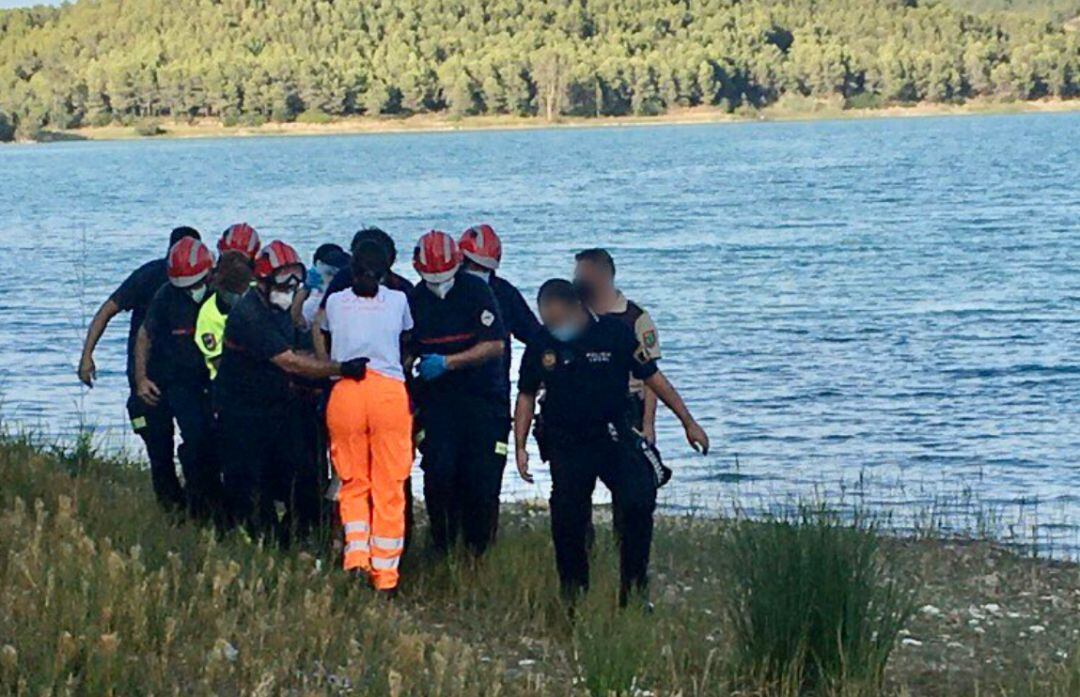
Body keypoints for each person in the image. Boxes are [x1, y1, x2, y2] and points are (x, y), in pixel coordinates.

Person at [514, 279, 709, 606]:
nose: (554, 327)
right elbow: (526, 395)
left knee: (637, 501)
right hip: (567, 441)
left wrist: (688, 422)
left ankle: (633, 591)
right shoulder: (541, 343)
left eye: (559, 320)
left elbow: (653, 378)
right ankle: (573, 594)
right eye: (549, 321)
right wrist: (519, 446)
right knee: (568, 518)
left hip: (612, 435)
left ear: (577, 308)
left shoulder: (615, 334)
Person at [214, 240, 368, 540]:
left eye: (296, 278)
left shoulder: (278, 310)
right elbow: (290, 362)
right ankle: (256, 540)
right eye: (285, 279)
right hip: (241, 412)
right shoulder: (250, 315)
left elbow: (298, 343)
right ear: (263, 279)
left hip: (276, 406)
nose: (292, 286)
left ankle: (299, 535)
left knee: (301, 473)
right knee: (249, 484)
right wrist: (339, 369)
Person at [77, 225, 201, 510]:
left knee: (197, 444)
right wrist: (87, 355)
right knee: (158, 448)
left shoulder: (204, 281)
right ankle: (173, 510)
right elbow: (107, 310)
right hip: (147, 379)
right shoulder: (149, 275)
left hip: (186, 379)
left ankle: (198, 505)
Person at [408, 230, 508, 557]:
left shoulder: (476, 292)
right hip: (436, 407)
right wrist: (414, 365)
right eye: (431, 277)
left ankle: (479, 550)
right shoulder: (415, 301)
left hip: (480, 401)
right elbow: (405, 349)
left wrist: (449, 362)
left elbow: (494, 344)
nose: (439, 283)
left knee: (480, 477)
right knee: (439, 474)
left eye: (445, 275)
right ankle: (442, 545)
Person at [323, 240, 414, 594]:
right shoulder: (399, 300)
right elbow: (405, 337)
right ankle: (386, 576)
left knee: (352, 481)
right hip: (388, 391)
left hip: (345, 390)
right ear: (385, 272)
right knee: (389, 487)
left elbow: (325, 332)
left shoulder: (334, 302)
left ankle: (355, 560)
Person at [132, 236, 218, 520]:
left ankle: (210, 505)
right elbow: (145, 335)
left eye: (195, 285)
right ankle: (180, 507)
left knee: (206, 443)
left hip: (209, 383)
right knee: (173, 445)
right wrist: (141, 378)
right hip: (175, 381)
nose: (191, 291)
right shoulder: (166, 296)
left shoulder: (220, 293)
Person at [574, 248, 662, 443]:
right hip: (583, 409)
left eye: (582, 275)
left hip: (627, 408)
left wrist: (648, 424)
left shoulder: (634, 317)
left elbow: (652, 378)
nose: (577, 281)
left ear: (601, 276)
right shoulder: (576, 314)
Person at [194, 252, 254, 380]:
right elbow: (217, 361)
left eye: (245, 289)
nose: (241, 295)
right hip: (226, 380)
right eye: (235, 291)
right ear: (221, 287)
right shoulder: (209, 315)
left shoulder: (255, 294)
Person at [300, 243, 350, 327]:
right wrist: (305, 288)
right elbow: (299, 321)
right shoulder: (315, 300)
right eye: (328, 274)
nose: (332, 280)